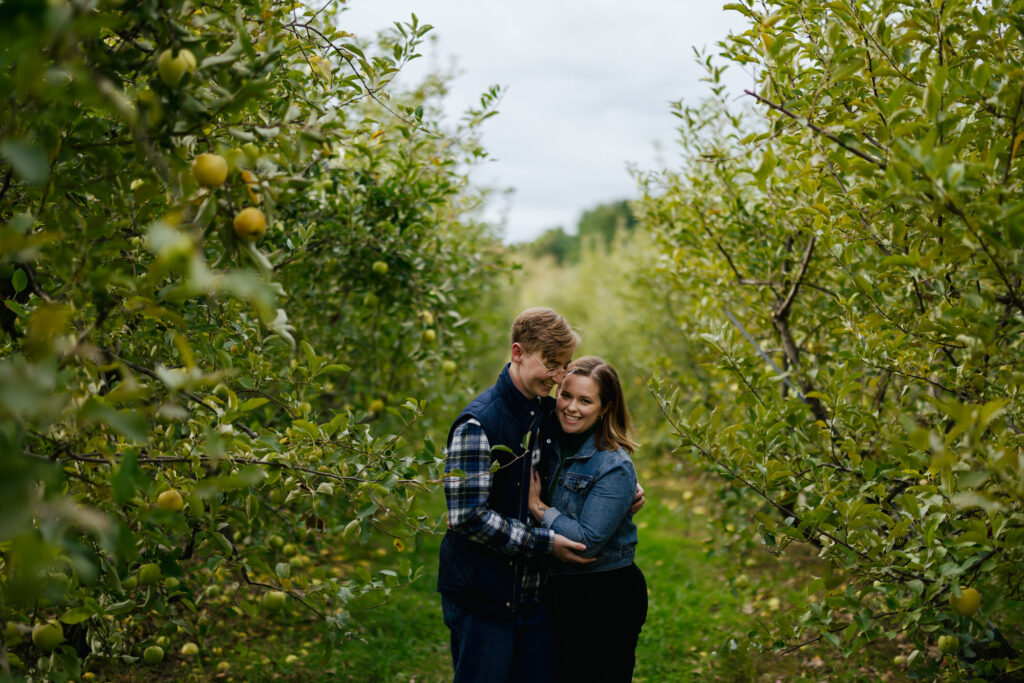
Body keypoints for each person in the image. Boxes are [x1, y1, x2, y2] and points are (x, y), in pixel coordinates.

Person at [437, 307, 594, 683]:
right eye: (551, 364)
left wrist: (622, 478)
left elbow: (588, 444)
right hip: (484, 596)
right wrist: (545, 544)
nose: (558, 378)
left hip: (530, 594)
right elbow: (468, 517)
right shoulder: (480, 424)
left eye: (566, 366)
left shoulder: (541, 412)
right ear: (518, 353)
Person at [529, 356, 647, 683]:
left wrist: (537, 507)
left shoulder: (614, 465)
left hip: (605, 595)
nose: (571, 408)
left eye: (585, 400)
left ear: (605, 407)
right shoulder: (549, 439)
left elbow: (585, 541)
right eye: (566, 396)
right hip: (559, 589)